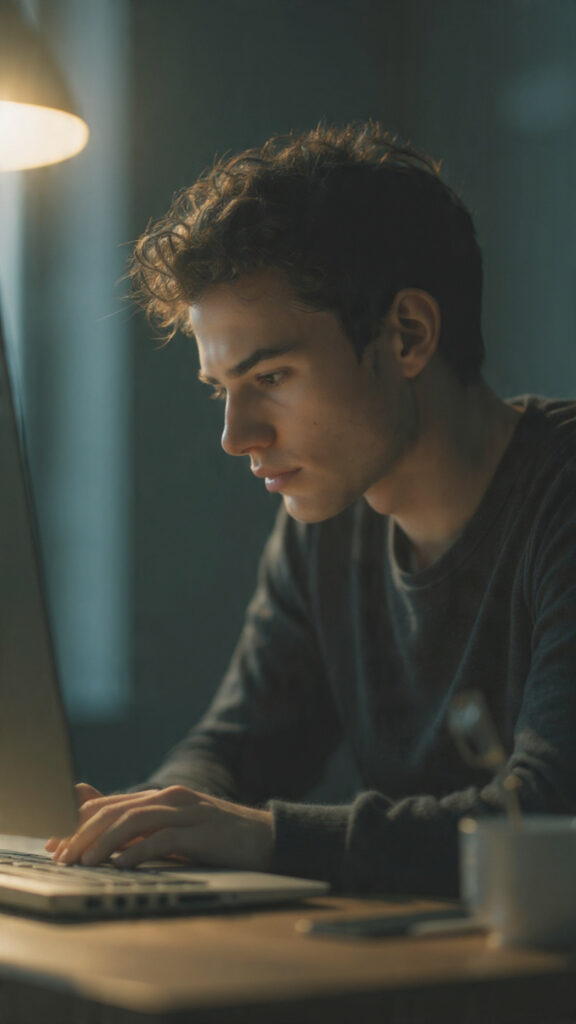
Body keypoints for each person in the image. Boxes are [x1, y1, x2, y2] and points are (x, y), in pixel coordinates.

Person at [47, 122, 576, 896]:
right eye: (221, 390)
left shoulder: (559, 495)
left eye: (272, 377)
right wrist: (154, 817)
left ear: (408, 335)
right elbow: (239, 745)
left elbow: (547, 819)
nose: (237, 437)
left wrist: (262, 836)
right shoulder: (327, 520)